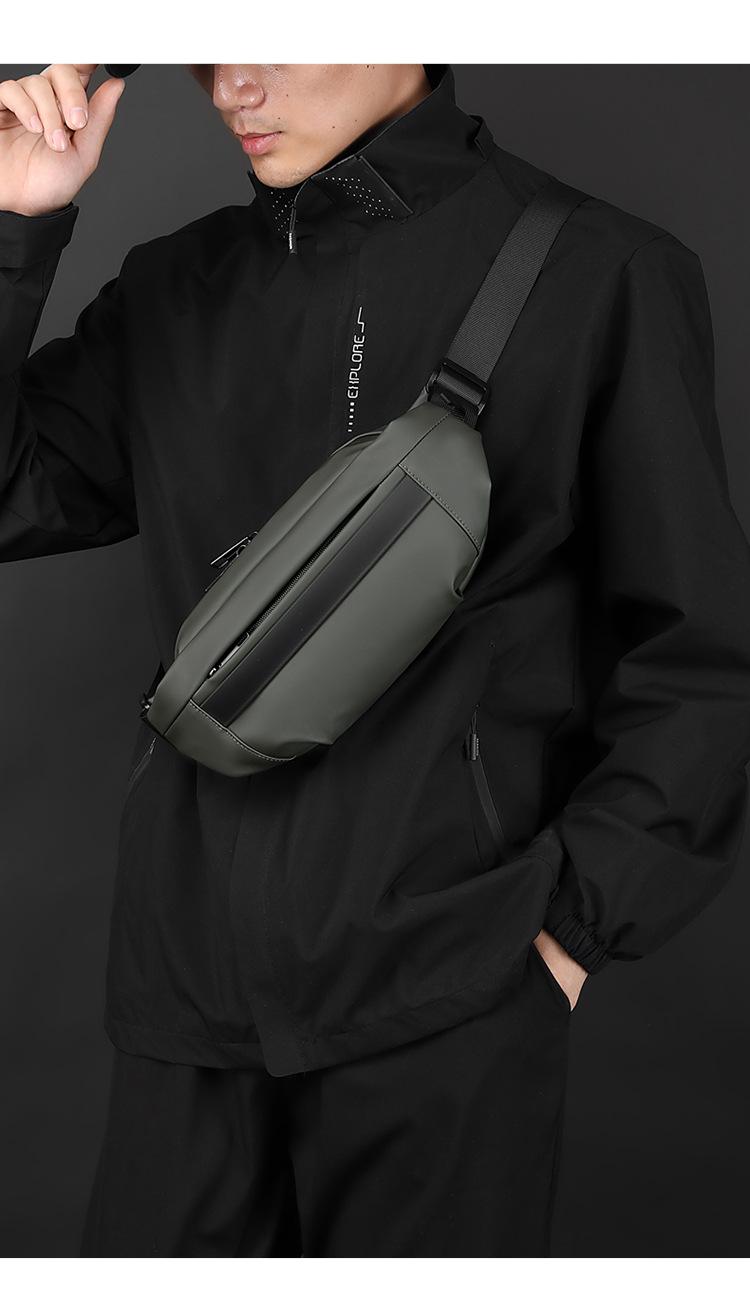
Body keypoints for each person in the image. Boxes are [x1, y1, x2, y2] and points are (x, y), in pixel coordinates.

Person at [2, 61, 750, 1258]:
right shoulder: (176, 287)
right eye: (203, 42)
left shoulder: (599, 271)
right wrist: (15, 227)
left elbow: (698, 658)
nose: (231, 83)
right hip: (184, 1005)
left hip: (447, 997)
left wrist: (568, 932)